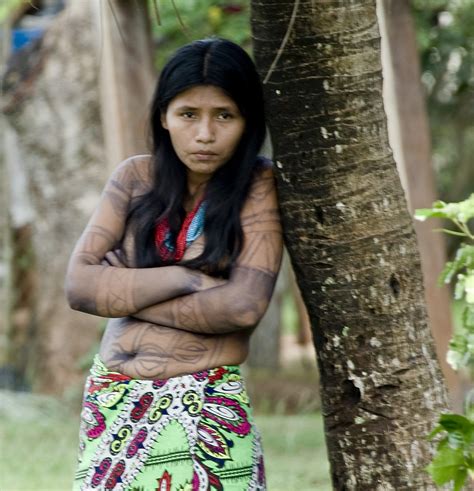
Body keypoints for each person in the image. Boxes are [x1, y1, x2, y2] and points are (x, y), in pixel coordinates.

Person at [66, 37, 283, 491]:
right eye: (189, 114)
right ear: (164, 116)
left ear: (247, 122)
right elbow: (81, 287)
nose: (205, 134)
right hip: (112, 400)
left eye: (224, 115)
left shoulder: (257, 184)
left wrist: (125, 288)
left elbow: (243, 307)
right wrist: (185, 278)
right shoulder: (133, 178)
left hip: (206, 408)